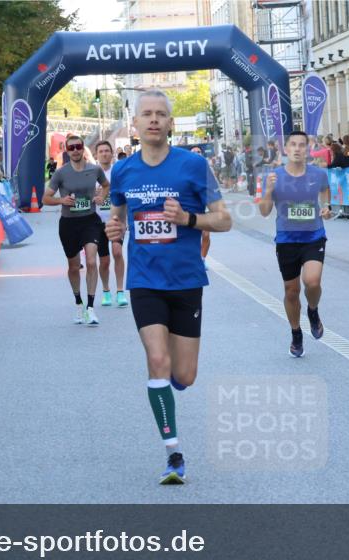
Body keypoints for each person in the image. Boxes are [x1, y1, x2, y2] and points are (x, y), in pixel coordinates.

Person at [104, 90, 232, 484]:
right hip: (144, 280)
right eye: (147, 114)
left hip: (186, 281)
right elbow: (117, 216)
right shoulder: (123, 172)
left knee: (185, 375)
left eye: (161, 114)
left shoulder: (193, 166)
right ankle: (173, 454)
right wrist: (113, 228)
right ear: (136, 124)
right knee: (157, 360)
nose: (154, 120)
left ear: (171, 123)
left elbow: (224, 220)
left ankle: (169, 385)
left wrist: (189, 220)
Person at [257, 130, 331, 358]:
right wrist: (268, 191)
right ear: (286, 150)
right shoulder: (272, 176)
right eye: (293, 145)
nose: (298, 149)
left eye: (302, 145)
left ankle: (313, 310)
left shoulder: (318, 174)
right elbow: (264, 211)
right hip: (287, 240)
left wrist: (327, 207)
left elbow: (325, 193)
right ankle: (296, 333)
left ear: (307, 150)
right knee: (291, 291)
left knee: (312, 281)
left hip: (313, 236)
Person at [43, 134, 109, 325]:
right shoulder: (61, 173)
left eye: (78, 146)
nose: (75, 150)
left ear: (83, 147)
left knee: (90, 261)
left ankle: (90, 307)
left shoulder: (94, 169)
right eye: (71, 148)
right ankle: (78, 302)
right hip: (69, 223)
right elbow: (45, 198)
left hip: (90, 221)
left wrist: (102, 198)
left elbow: (105, 185)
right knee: (73, 266)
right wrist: (61, 200)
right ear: (67, 151)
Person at [93, 140, 127, 307]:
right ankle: (106, 291)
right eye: (101, 151)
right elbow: (84, 195)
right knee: (104, 260)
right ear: (96, 155)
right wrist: (95, 195)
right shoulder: (91, 173)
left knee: (118, 252)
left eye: (107, 151)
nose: (105, 153)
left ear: (112, 153)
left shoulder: (118, 172)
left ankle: (120, 291)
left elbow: (126, 194)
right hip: (98, 222)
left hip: (116, 220)